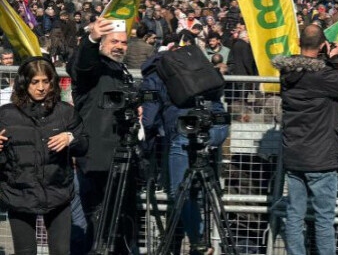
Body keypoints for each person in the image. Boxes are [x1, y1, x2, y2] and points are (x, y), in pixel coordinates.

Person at [273, 25, 338, 255]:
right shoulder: (321, 76)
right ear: (323, 45)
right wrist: (336, 59)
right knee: (324, 220)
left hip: (294, 155)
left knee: (294, 215)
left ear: (298, 42)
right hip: (321, 158)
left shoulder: (287, 72)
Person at [140, 46, 229, 254]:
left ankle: (199, 242)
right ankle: (202, 239)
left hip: (185, 130)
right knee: (201, 192)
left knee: (178, 191)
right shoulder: (196, 62)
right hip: (216, 124)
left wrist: (145, 147)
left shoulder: (154, 74)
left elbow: (149, 119)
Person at [0, 57, 89, 255]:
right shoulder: (5, 115)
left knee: (61, 251)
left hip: (57, 193)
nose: (41, 87)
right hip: (19, 194)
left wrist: (70, 138)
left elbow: (84, 145)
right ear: (25, 83)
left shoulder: (65, 112)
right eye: (35, 82)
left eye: (45, 81)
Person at [67, 17, 136, 253]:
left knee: (120, 224)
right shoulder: (93, 69)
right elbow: (83, 65)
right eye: (114, 41)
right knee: (95, 224)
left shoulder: (120, 70)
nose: (119, 46)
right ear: (102, 44)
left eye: (124, 42)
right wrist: (91, 39)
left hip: (121, 155)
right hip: (97, 159)